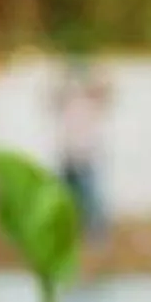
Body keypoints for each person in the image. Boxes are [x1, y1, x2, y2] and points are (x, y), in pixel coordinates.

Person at [53, 54, 112, 243]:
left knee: (90, 200)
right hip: (68, 155)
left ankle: (96, 239)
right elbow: (51, 96)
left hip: (86, 155)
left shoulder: (91, 99)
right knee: (66, 199)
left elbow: (105, 90)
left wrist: (97, 70)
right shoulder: (68, 99)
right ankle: (69, 235)